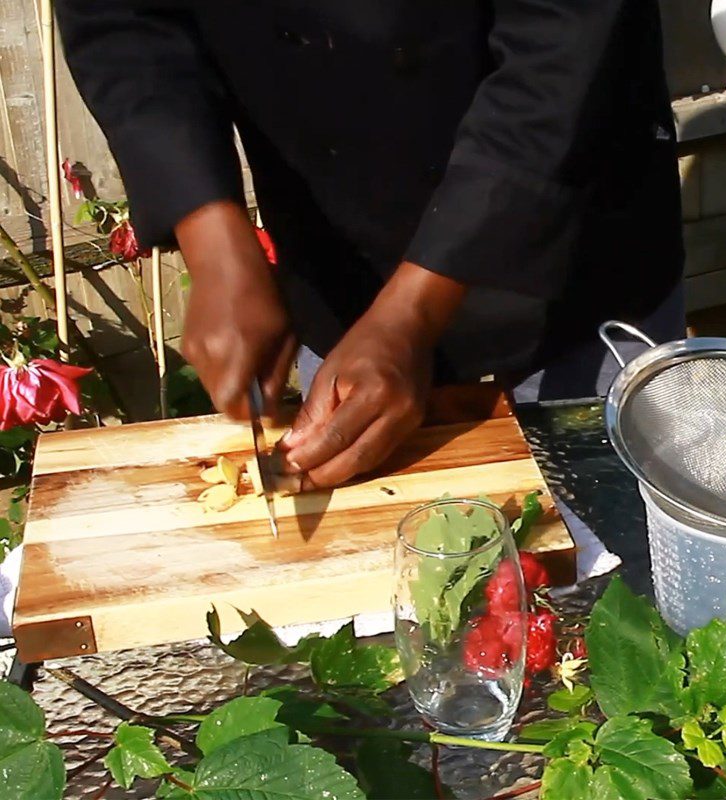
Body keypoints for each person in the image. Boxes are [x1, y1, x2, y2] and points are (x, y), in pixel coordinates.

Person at [55, 0, 684, 489]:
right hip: (338, 257)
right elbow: (120, 23)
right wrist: (213, 238)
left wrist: (411, 310)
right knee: (380, 603)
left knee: (615, 595)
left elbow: (565, 48)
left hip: (574, 258)